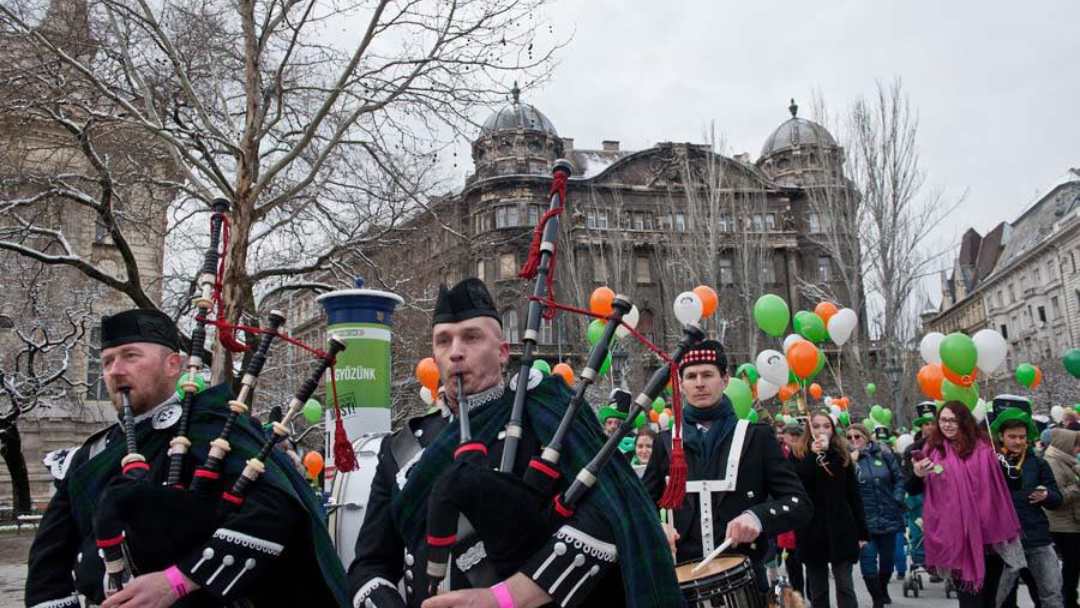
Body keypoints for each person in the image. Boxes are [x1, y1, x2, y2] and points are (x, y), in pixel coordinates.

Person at [347, 278, 680, 608]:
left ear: (503, 352)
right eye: (443, 341)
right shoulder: (400, 450)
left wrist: (503, 597)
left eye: (472, 337)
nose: (456, 352)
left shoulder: (545, 417)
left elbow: (607, 515)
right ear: (434, 356)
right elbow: (370, 564)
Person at [25, 309, 347, 607]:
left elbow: (273, 512)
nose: (115, 370)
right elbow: (48, 563)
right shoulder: (92, 454)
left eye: (130, 356)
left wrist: (177, 581)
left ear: (173, 365)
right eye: (107, 361)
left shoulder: (214, 428)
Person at [643, 339, 812, 594]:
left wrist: (757, 517)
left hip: (745, 581)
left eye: (708, 374)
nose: (699, 383)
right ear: (681, 385)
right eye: (691, 376)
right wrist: (656, 526)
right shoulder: (666, 441)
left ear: (724, 380)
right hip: (681, 583)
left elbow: (800, 503)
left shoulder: (757, 437)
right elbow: (640, 503)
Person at [909, 400, 1023, 608]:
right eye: (943, 420)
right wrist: (917, 474)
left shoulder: (984, 448)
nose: (948, 425)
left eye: (954, 420)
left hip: (990, 536)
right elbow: (912, 488)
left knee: (990, 599)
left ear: (964, 421)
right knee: (969, 601)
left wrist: (1006, 463)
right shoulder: (931, 449)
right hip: (958, 537)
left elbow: (1013, 482)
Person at [990, 397, 1065, 608]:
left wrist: (1047, 495)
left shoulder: (1039, 463)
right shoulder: (993, 464)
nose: (1017, 441)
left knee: (1051, 595)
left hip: (1037, 539)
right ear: (1001, 437)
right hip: (1005, 542)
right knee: (1002, 598)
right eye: (1012, 436)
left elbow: (1057, 499)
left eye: (1022, 437)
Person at [790, 409, 867, 608]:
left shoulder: (842, 454)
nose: (821, 431)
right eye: (816, 426)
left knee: (845, 585)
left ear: (833, 429)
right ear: (809, 429)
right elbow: (797, 484)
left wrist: (862, 532)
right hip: (812, 528)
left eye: (826, 426)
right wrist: (812, 456)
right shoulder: (798, 454)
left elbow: (853, 494)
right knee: (818, 589)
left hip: (841, 526)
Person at [848, 424, 905, 607]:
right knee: (868, 559)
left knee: (887, 560)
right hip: (864, 520)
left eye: (857, 436)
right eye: (849, 438)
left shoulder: (884, 455)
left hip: (888, 514)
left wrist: (896, 499)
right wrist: (850, 463)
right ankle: (877, 599)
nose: (854, 440)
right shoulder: (847, 460)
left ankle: (883, 587)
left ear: (867, 437)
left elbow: (899, 479)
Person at [1044, 428, 1080, 608]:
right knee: (1071, 566)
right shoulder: (1052, 463)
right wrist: (1077, 487)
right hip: (1062, 525)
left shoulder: (1064, 460)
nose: (1077, 449)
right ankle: (1068, 600)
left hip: (1071, 522)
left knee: (1073, 565)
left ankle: (1069, 598)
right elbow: (1056, 496)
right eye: (1075, 445)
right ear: (1065, 445)